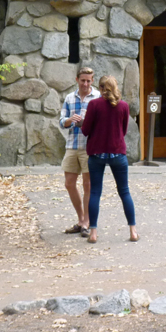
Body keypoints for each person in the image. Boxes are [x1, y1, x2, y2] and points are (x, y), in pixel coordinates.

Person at [79, 75, 138, 244]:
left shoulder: (94, 105)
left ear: (101, 88)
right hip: (117, 154)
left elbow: (85, 130)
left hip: (97, 154)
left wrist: (81, 123)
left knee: (95, 192)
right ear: (115, 87)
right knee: (124, 191)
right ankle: (133, 231)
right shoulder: (124, 106)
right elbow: (124, 130)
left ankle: (93, 233)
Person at [58, 67, 99, 237]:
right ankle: (80, 218)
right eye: (83, 80)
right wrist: (69, 120)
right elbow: (61, 122)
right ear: (77, 79)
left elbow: (102, 123)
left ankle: (86, 222)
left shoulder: (97, 97)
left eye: (89, 80)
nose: (85, 83)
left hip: (90, 147)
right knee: (69, 183)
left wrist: (89, 120)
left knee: (87, 185)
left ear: (92, 80)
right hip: (72, 145)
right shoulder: (69, 97)